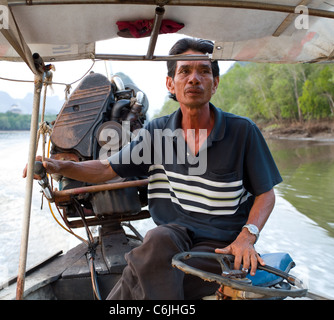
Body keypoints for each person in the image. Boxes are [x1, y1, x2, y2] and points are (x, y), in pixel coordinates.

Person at [23, 38, 282, 300]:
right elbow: (105, 169)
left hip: (220, 247)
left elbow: (266, 194)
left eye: (204, 71)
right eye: (185, 71)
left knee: (145, 269)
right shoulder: (156, 132)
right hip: (173, 238)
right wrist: (58, 165)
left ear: (215, 84)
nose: (194, 79)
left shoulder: (242, 132)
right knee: (157, 239)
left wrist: (247, 237)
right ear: (171, 83)